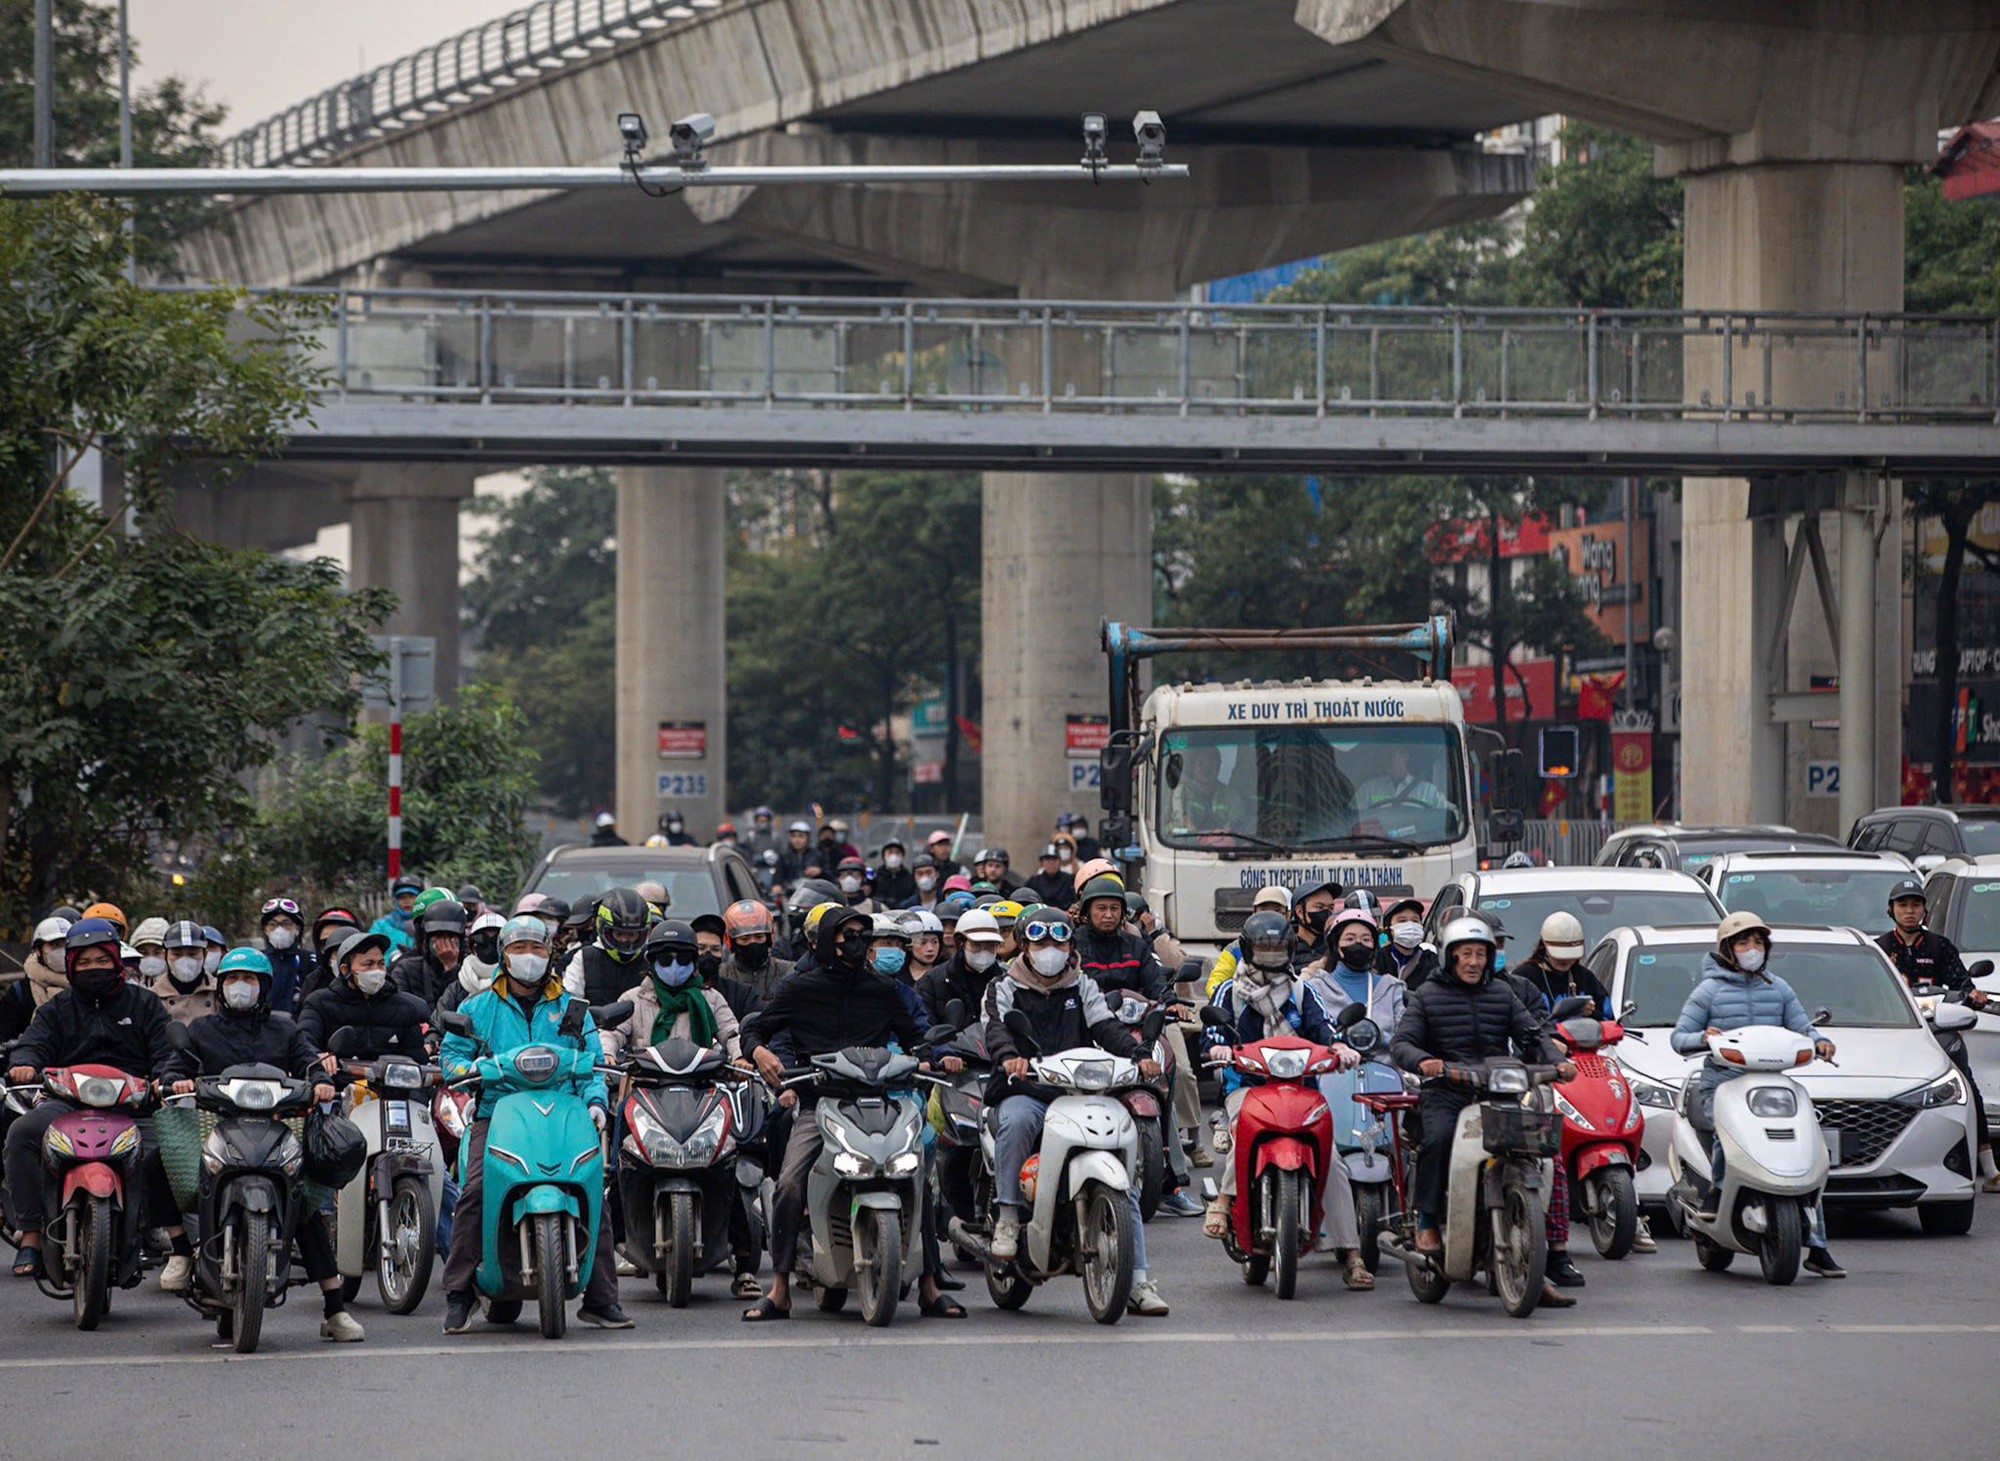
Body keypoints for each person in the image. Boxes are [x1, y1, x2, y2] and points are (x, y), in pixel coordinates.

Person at [738, 905, 964, 1321]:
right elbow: (755, 1029)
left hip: (883, 1101)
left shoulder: (883, 988)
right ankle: (781, 1288)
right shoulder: (799, 987)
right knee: (789, 1183)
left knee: (917, 1176)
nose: (857, 942)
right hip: (818, 1103)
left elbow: (917, 1036)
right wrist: (759, 1052)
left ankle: (930, 1287)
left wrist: (933, 1057)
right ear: (826, 940)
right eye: (848, 935)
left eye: (864, 934)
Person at [439, 915, 631, 1334]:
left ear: (550, 955)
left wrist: (596, 1101)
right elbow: (450, 1056)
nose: (529, 958)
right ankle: (459, 1293)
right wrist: (470, 1068)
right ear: (504, 956)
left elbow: (594, 1063)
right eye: (519, 949)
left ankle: (601, 1299)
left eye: (538, 949)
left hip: (562, 1111)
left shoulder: (573, 1009)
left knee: (590, 1183)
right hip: (498, 1110)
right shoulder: (477, 1007)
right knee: (474, 1190)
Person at [164, 949, 361, 1341]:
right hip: (216, 1127)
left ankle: (335, 1308)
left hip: (277, 1127)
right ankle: (182, 1251)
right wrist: (175, 1080)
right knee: (159, 1163)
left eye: (250, 980)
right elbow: (177, 1065)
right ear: (220, 986)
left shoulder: (285, 1029)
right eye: (233, 979)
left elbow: (310, 1063)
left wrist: (321, 1080)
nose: (241, 987)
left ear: (265, 987)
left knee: (302, 1205)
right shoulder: (202, 1030)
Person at [983, 909, 1170, 1315]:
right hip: (1028, 1088)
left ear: (1071, 947)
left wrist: (1139, 1055)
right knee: (1015, 1122)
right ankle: (1009, 1216)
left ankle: (1137, 1280)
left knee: (1126, 1174)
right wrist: (1011, 1057)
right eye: (1039, 943)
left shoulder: (1082, 985)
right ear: (1025, 946)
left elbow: (1106, 1026)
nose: (1049, 951)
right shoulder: (1004, 986)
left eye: (1058, 943)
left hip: (1078, 1090)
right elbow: (996, 1029)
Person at [1390, 915, 1579, 1309]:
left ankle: (1533, 1265)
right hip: (1448, 1090)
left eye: (1481, 954)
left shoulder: (1502, 994)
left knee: (1538, 1154)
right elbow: (1402, 1044)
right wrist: (1426, 1061)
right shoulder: (1427, 995)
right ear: (1450, 957)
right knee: (1438, 1140)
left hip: (1499, 1088)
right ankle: (1426, 1220)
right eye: (1466, 954)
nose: (1474, 962)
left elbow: (1530, 1034)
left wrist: (1555, 1061)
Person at [6, 918, 187, 1285]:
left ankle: (159, 1238)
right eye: (84, 963)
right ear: (71, 966)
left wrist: (164, 1078)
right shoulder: (55, 1010)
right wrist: (24, 1064)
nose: (93, 969)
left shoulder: (146, 1005)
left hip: (135, 1106)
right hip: (68, 1104)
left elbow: (166, 1052)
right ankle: (31, 1235)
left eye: (101, 961)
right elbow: (33, 1042)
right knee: (22, 1133)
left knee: (165, 1151)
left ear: (117, 961)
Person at [1203, 914, 1375, 1291]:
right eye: (1262, 947)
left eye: (1277, 947)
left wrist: (1341, 1048)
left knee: (1332, 1161)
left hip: (1303, 1091)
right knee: (1241, 1132)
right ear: (1249, 949)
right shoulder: (1229, 992)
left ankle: (1351, 1254)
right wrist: (1217, 1046)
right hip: (1247, 1088)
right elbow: (1213, 1030)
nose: (1269, 954)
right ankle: (1224, 1199)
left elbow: (1326, 1030)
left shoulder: (1302, 991)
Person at [1669, 911, 1844, 1277]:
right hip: (1724, 1082)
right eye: (1744, 942)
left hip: (1772, 1085)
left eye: (1758, 942)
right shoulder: (1708, 991)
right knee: (1725, 1137)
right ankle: (1718, 1191)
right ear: (1727, 949)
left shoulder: (1778, 988)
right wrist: (1704, 1038)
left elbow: (1802, 1027)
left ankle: (1819, 1245)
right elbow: (1679, 1037)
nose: (1752, 949)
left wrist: (1821, 1042)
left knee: (1808, 1152)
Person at [1072, 874, 1203, 1215]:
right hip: (1091, 1033)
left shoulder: (1136, 946)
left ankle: (1170, 1182)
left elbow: (1155, 982)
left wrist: (1170, 1001)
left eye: (1114, 909)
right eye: (1101, 908)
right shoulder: (1073, 945)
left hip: (1139, 1030)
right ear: (1087, 911)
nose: (1108, 915)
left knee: (1164, 1087)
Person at [1874, 877, 1997, 1190]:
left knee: (1967, 1087)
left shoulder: (1940, 947)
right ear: (1891, 911)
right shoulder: (1879, 949)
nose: (1910, 911)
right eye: (1903, 905)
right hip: (1894, 1035)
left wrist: (1974, 996)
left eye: (1916, 905)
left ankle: (1990, 1169)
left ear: (1926, 911)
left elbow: (1963, 987)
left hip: (1940, 1030)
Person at [300, 931, 431, 1060]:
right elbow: (304, 1046)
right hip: (337, 1079)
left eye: (381, 964)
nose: (376, 970)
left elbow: (418, 1060)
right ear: (345, 970)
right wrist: (320, 1058)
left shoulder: (404, 1008)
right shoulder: (319, 1003)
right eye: (368, 964)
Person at [1304, 905, 1407, 1042]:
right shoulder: (1315, 988)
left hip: (1385, 1063)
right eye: (1350, 939)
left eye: (1366, 939)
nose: (1358, 944)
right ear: (1336, 946)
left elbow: (1405, 1039)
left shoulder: (1393, 989)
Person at [564, 886, 654, 1006]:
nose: (625, 940)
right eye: (619, 933)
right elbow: (569, 1001)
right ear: (602, 929)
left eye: (632, 934)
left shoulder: (651, 959)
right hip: (593, 1024)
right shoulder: (584, 958)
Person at [1510, 912, 1611, 1015]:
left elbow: (1610, 1021)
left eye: (1571, 955)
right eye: (1560, 955)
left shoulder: (1584, 977)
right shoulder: (1523, 978)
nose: (1566, 961)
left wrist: (1591, 1013)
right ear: (1544, 946)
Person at [919, 907, 1006, 1028]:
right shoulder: (933, 982)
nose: (984, 951)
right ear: (961, 943)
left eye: (990, 945)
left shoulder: (1005, 982)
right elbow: (923, 1025)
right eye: (977, 945)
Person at [1206, 885, 1295, 995]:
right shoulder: (1235, 949)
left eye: (1277, 911)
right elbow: (1215, 984)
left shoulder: (1295, 946)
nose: (1269, 917)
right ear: (1253, 913)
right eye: (1263, 910)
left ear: (1288, 915)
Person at [388, 899, 467, 1011]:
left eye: (450, 936)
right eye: (438, 935)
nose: (444, 944)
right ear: (427, 937)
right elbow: (399, 1008)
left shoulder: (470, 969)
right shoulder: (407, 969)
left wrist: (451, 969)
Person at [720, 898, 792, 1002]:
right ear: (732, 941)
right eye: (745, 939)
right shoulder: (722, 976)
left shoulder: (787, 971)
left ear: (768, 938)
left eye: (759, 937)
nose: (752, 942)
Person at [1353, 743, 1449, 818]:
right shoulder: (1369, 789)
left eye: (1390, 756)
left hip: (1419, 843)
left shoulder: (1428, 791)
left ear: (1404, 758)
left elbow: (1453, 815)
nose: (1386, 761)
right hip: (1377, 842)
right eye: (1383, 756)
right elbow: (1349, 817)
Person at [149, 919, 217, 1025]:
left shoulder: (219, 993)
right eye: (177, 954)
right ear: (165, 955)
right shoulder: (151, 998)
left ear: (205, 954)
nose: (185, 960)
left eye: (192, 954)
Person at [257, 897, 314, 1015]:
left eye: (286, 923)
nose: (279, 929)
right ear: (265, 930)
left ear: (297, 928)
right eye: (272, 924)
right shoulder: (256, 960)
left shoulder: (310, 961)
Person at [1377, 896, 1439, 989]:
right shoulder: (1378, 960)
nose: (1410, 925)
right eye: (1402, 921)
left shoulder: (1432, 961)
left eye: (1415, 921)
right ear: (1389, 929)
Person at [370, 877, 424, 954]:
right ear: (395, 900)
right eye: (402, 897)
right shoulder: (380, 926)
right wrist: (392, 958)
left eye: (411, 896)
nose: (406, 901)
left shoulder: (427, 923)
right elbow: (371, 954)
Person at [872, 838, 917, 908]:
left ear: (902, 856)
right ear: (884, 856)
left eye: (897, 852)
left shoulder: (909, 878)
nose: (894, 856)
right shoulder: (876, 877)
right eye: (890, 852)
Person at [903, 908, 945, 982]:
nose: (930, 948)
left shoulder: (947, 974)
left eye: (935, 942)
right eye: (923, 942)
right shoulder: (898, 976)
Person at [776, 821, 815, 887]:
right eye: (793, 836)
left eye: (801, 836)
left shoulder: (816, 855)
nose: (797, 840)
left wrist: (820, 872)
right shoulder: (784, 856)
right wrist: (777, 885)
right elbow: (778, 876)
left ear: (808, 838)